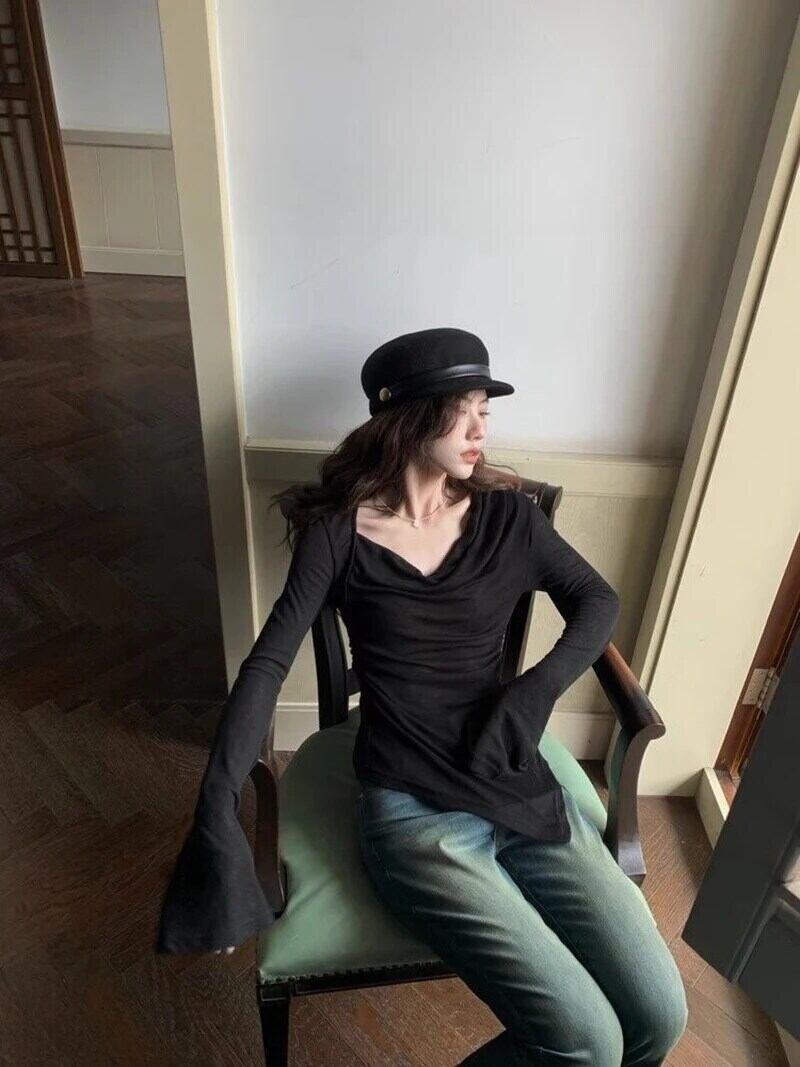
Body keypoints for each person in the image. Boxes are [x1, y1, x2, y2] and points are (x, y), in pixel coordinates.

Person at [156, 327, 688, 1065]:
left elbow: (598, 600)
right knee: (587, 1044)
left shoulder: (510, 518)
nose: (480, 430)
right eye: (460, 411)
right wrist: (215, 817)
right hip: (414, 815)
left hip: (517, 784)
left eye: (484, 411)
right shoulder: (338, 535)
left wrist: (535, 691)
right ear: (406, 419)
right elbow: (267, 664)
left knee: (660, 1019)